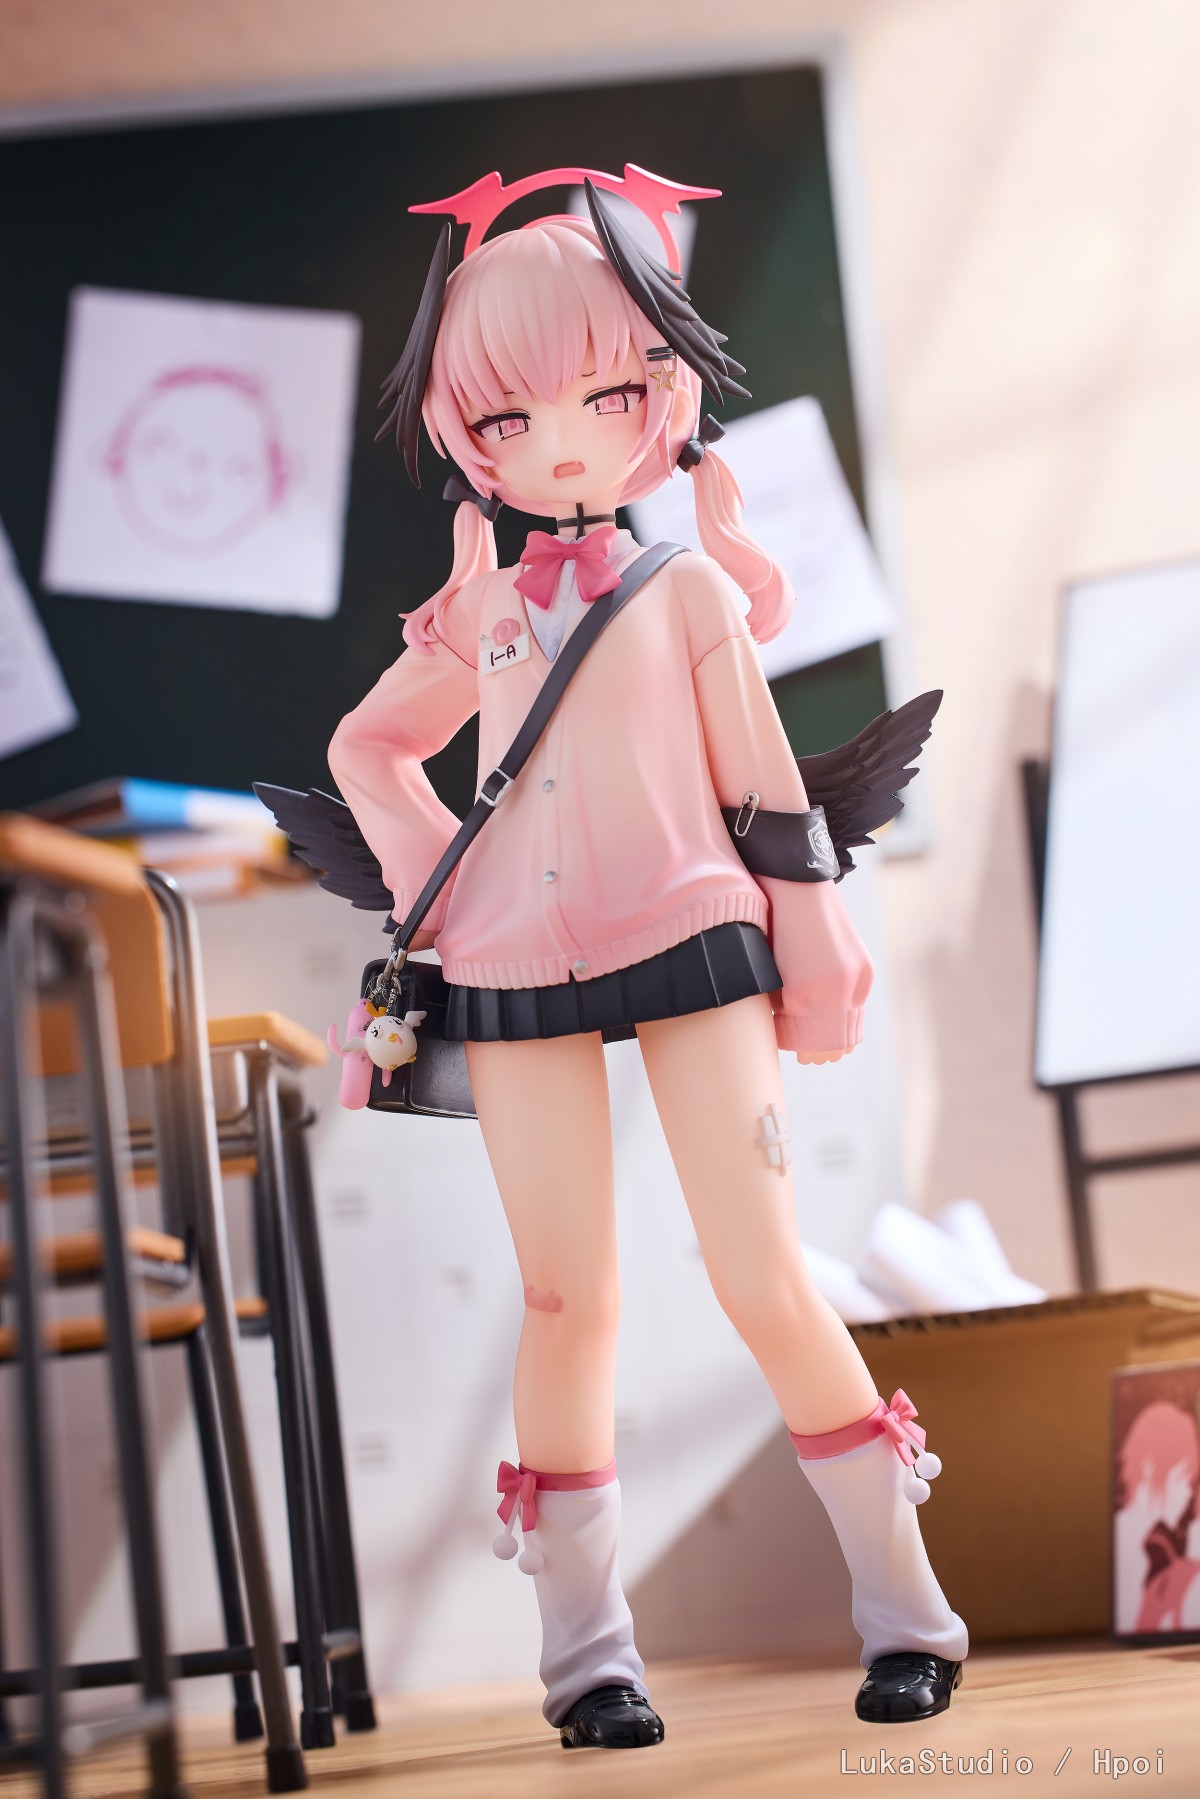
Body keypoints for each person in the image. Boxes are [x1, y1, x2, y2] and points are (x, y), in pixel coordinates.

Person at [326, 165, 967, 1747]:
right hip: (517, 965)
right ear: (469, 434)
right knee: (566, 1298)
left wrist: (815, 937)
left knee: (762, 1274)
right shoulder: (479, 612)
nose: (559, 441)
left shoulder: (683, 589)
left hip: (694, 934)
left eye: (605, 396)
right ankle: (589, 1662)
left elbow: (765, 787)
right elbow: (366, 750)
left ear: (662, 397)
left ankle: (912, 1619)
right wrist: (434, 881)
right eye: (509, 416)